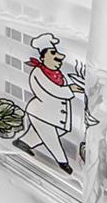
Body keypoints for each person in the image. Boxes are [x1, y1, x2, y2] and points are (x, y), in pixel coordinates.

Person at [13, 32, 82, 172]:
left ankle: (23, 143)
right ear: (43, 56)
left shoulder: (58, 74)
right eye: (53, 54)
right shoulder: (38, 73)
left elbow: (61, 87)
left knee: (42, 134)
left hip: (53, 114)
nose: (59, 60)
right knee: (51, 138)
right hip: (41, 112)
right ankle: (63, 164)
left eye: (59, 60)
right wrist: (71, 89)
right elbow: (54, 90)